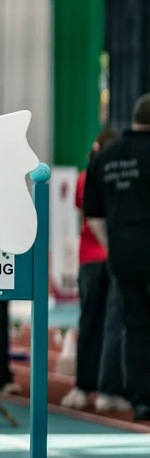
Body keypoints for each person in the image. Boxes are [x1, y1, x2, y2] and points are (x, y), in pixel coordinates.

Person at [84, 94, 150, 422]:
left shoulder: (106, 157)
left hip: (124, 253)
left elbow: (92, 213)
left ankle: (141, 400)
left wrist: (112, 245)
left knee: (134, 326)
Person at [63, 127, 129, 413]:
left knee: (90, 323)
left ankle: (83, 388)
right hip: (112, 257)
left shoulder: (85, 177)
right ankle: (107, 390)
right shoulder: (119, 178)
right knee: (113, 324)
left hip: (91, 258)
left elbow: (85, 212)